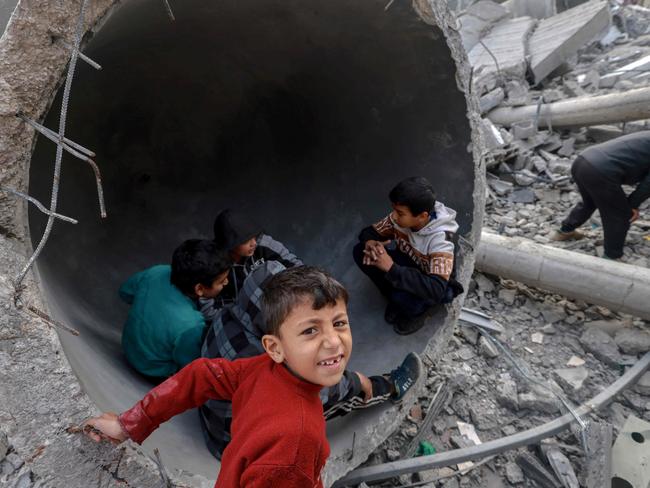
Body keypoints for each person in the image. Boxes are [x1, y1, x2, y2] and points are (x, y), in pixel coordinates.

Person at [83, 266, 422, 487]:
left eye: (339, 323)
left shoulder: (263, 365)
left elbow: (201, 374)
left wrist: (130, 423)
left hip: (233, 448)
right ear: (274, 346)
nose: (333, 341)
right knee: (351, 390)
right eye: (310, 331)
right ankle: (389, 388)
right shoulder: (299, 442)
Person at [198, 260, 423, 458]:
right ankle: (391, 387)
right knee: (331, 398)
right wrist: (357, 381)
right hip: (242, 446)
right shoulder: (267, 365)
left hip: (216, 424)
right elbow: (326, 391)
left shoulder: (226, 315)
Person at [353, 176, 462, 335]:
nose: (394, 216)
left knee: (405, 297)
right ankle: (394, 297)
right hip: (408, 265)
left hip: (432, 284)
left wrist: (390, 268)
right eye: (394, 210)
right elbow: (369, 232)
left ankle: (418, 313)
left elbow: (436, 289)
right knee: (361, 251)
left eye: (400, 213)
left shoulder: (441, 241)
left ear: (422, 216)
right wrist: (370, 242)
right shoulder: (400, 219)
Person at [119, 239, 231, 380]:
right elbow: (188, 364)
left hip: (128, 346)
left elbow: (125, 293)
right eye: (221, 282)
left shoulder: (157, 272)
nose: (226, 283)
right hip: (151, 369)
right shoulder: (192, 325)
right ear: (199, 289)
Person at [551, 131, 650, 260]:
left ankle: (565, 231)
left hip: (583, 160)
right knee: (619, 215)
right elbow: (647, 184)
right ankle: (611, 257)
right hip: (602, 169)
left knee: (590, 202)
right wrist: (632, 205)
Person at [212, 208, 302, 307]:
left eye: (254, 236)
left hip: (273, 304)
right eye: (245, 241)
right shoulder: (215, 261)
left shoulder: (263, 242)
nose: (254, 243)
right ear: (230, 244)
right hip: (236, 313)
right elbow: (208, 302)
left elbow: (296, 266)